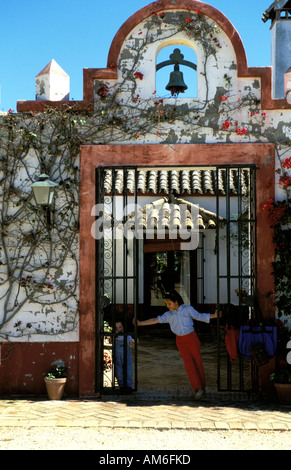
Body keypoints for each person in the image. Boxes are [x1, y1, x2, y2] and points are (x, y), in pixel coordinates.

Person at [135, 290, 219, 399]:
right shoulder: (168, 315)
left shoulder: (187, 309)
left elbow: (200, 316)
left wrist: (214, 315)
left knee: (198, 362)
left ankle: (203, 386)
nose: (167, 306)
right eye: (166, 304)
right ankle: (198, 389)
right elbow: (155, 320)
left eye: (169, 303)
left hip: (192, 338)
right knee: (189, 365)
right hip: (180, 341)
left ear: (176, 302)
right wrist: (140, 323)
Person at [114, 319, 134, 392]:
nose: (119, 329)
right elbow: (110, 341)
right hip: (118, 357)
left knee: (128, 370)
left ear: (123, 327)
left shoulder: (128, 336)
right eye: (116, 328)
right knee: (118, 371)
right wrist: (114, 335)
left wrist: (134, 342)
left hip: (127, 356)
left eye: (120, 327)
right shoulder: (115, 337)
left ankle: (129, 386)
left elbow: (132, 345)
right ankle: (121, 386)